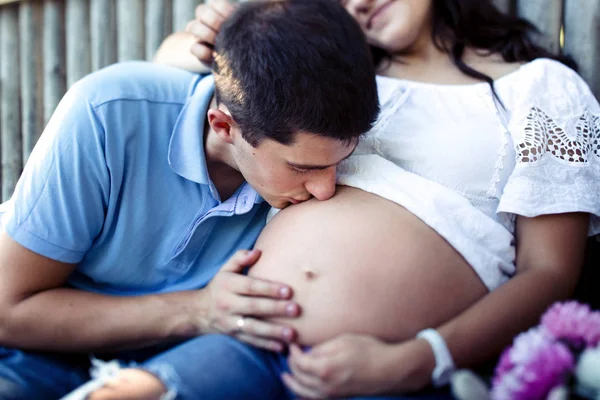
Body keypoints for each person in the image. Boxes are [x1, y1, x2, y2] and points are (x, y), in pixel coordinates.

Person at [103, 0, 598, 399]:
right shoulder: (318, 80)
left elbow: (549, 272)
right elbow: (167, 66)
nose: (358, 4)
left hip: (391, 364)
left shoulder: (539, 87)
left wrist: (416, 360)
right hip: (251, 334)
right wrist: (218, 35)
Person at [0, 0, 381, 398]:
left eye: (340, 161)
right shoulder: (106, 113)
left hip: (181, 362)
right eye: (301, 167)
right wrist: (197, 309)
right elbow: (8, 310)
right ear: (223, 126)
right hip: (35, 351)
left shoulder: (305, 132)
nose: (325, 189)